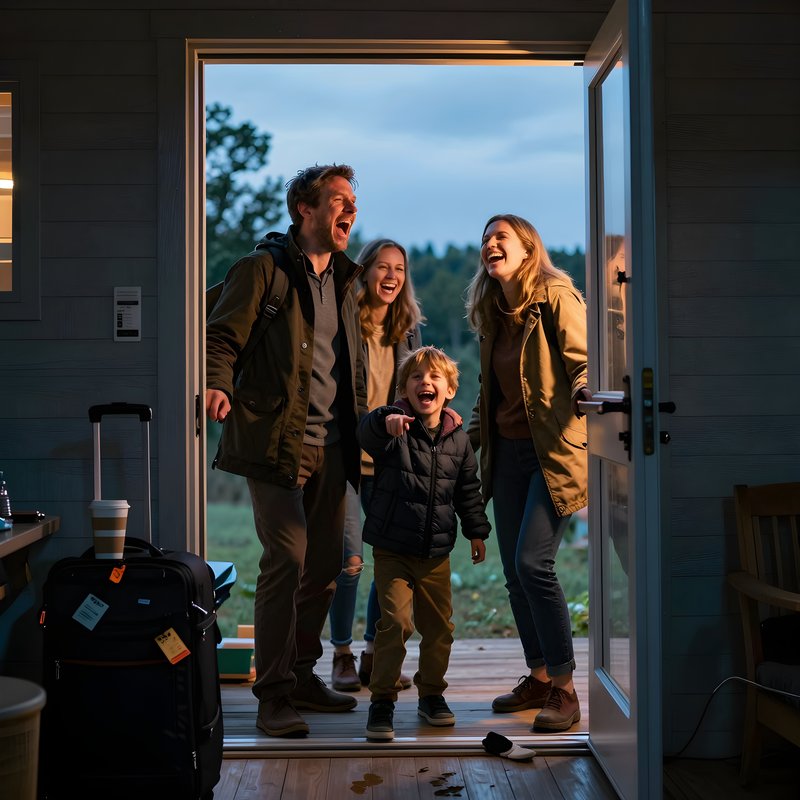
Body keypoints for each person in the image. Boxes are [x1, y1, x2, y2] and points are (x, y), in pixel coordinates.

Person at [206, 164, 367, 738]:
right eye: (339, 200)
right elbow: (220, 336)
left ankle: (301, 675)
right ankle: (272, 694)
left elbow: (349, 365)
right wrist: (218, 383)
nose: (350, 210)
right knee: (287, 559)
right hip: (277, 441)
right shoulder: (261, 271)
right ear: (305, 207)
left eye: (354, 201)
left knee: (325, 569)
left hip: (334, 445)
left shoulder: (347, 280)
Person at [466, 213, 590, 733]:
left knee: (533, 563)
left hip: (552, 452)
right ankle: (538, 677)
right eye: (486, 239)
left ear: (527, 248)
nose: (491, 244)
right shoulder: (494, 311)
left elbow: (586, 362)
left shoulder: (557, 297)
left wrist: (586, 389)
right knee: (516, 576)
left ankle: (564, 689)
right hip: (508, 456)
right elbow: (488, 393)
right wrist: (461, 432)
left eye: (502, 237)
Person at [358, 345, 491, 741]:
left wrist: (477, 531)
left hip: (436, 554)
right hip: (392, 549)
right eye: (416, 377)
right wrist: (387, 420)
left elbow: (469, 490)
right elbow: (366, 429)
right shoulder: (392, 431)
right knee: (395, 623)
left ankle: (431, 694)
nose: (425, 383)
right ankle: (382, 700)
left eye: (434, 377)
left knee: (439, 629)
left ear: (449, 390)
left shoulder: (459, 441)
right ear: (405, 389)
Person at [328, 238, 423, 693]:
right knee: (349, 562)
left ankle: (372, 654)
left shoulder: (407, 329)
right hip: (347, 456)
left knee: (388, 561)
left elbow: (418, 387)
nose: (391, 276)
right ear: (365, 272)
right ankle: (341, 654)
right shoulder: (346, 320)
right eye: (382, 267)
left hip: (389, 460)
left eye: (399, 269)